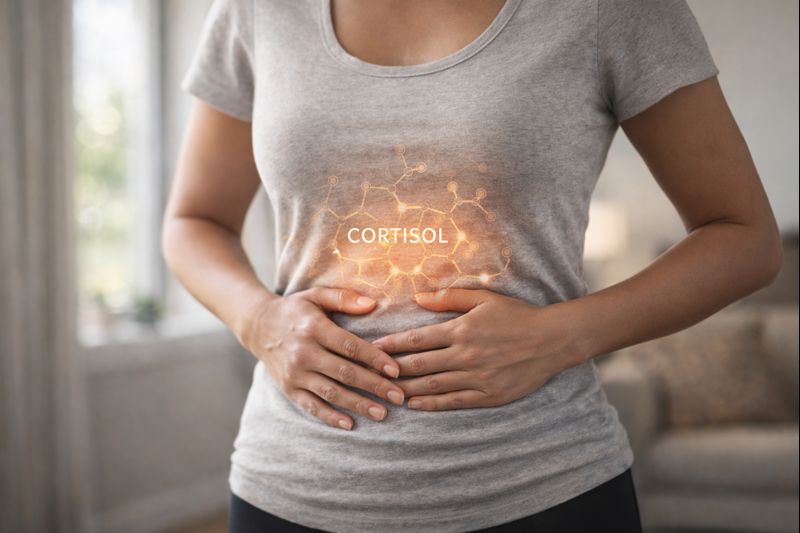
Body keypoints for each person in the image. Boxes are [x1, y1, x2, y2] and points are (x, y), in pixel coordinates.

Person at [161, 0, 783, 531]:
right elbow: (193, 221)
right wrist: (260, 322)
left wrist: (558, 336)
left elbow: (744, 237)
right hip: (290, 489)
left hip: (543, 489)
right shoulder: (254, 9)